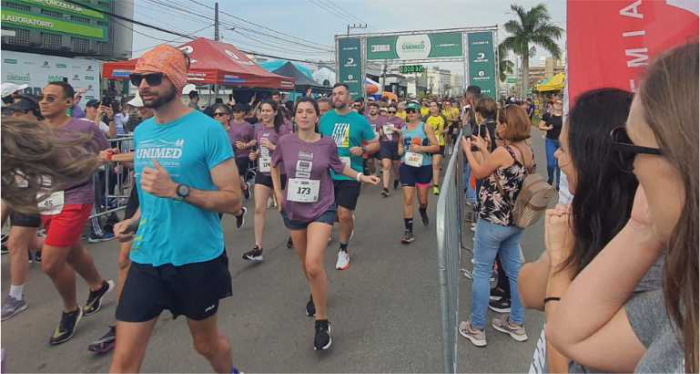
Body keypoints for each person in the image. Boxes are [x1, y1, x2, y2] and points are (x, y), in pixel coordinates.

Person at [547, 42, 698, 374]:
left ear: (681, 160)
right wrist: (642, 226)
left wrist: (559, 266)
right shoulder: (687, 303)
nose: (631, 166)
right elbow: (570, 336)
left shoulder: (669, 280)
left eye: (631, 146)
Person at [108, 45, 243, 373]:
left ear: (177, 81)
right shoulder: (142, 132)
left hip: (196, 259)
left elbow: (233, 199)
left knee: (206, 345)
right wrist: (135, 221)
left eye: (153, 78)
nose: (143, 86)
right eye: (138, 78)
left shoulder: (208, 130)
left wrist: (178, 191)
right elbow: (149, 193)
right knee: (123, 362)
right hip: (146, 258)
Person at [517, 88, 660, 373]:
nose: (557, 156)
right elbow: (529, 293)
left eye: (565, 149)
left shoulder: (653, 269)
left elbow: (567, 359)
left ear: (595, 162)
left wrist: (559, 267)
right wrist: (561, 255)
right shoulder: (588, 223)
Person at [271, 97, 378, 351]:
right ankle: (314, 290)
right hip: (294, 209)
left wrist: (362, 176)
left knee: (313, 263)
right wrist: (278, 192)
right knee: (305, 265)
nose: (304, 115)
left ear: (317, 117)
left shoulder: (326, 143)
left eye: (310, 112)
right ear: (294, 116)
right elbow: (274, 166)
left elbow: (340, 166)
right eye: (300, 111)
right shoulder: (285, 142)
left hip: (322, 207)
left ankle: (322, 321)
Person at [35, 81, 114, 345]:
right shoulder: (36, 131)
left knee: (51, 262)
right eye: (42, 98)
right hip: (47, 199)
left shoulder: (85, 127)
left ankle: (70, 310)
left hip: (76, 197)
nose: (44, 102)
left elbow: (107, 151)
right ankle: (98, 285)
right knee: (71, 250)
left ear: (68, 102)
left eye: (51, 98)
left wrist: (96, 161)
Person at [458, 104, 534, 347]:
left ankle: (476, 327)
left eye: (501, 122)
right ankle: (516, 323)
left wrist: (467, 151)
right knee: (515, 272)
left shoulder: (505, 151)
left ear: (505, 125)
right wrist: (484, 148)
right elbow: (501, 175)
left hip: (493, 221)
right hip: (515, 220)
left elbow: (480, 172)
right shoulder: (526, 150)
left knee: (481, 271)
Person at [87, 98, 155, 355]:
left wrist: (114, 155)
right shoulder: (141, 131)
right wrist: (117, 159)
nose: (139, 109)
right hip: (140, 196)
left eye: (143, 106)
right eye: (137, 106)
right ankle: (120, 325)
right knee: (125, 259)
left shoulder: (174, 129)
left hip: (168, 197)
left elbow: (146, 156)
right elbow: (139, 161)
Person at [318, 83, 379, 271]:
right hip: (327, 174)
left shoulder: (359, 120)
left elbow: (375, 143)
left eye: (340, 93)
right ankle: (348, 222)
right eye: (334, 94)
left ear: (349, 97)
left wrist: (364, 149)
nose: (336, 97)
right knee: (336, 214)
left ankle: (343, 250)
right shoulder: (324, 119)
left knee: (344, 214)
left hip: (351, 173)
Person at [0, 96, 45, 321]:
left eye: (17, 113)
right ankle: (63, 248)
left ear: (30, 113)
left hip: (34, 194)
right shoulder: (13, 135)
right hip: (12, 192)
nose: (13, 117)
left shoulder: (44, 133)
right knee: (27, 242)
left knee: (15, 242)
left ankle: (16, 298)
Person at [243, 100, 291, 262]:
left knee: (284, 207)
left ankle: (295, 232)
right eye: (262, 111)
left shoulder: (283, 129)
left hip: (281, 172)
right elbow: (259, 147)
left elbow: (289, 151)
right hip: (263, 172)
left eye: (268, 110)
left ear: (275, 112)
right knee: (258, 208)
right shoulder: (258, 128)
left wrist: (272, 146)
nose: (264, 113)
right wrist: (255, 154)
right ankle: (258, 247)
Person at [397, 102, 439, 244]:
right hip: (407, 165)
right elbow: (401, 144)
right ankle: (408, 231)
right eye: (408, 111)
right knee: (408, 199)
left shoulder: (425, 127)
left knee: (422, 200)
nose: (410, 113)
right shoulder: (403, 129)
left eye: (413, 111)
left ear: (419, 113)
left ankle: (422, 210)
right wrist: (400, 150)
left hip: (423, 166)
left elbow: (436, 147)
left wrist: (421, 148)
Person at [229, 103, 255, 200]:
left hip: (243, 155)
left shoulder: (248, 126)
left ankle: (236, 196)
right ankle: (244, 187)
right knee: (232, 175)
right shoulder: (229, 123)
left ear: (243, 113)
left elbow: (254, 140)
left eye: (238, 112)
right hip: (230, 153)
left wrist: (246, 145)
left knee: (238, 174)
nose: (235, 113)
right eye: (234, 111)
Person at [378, 104, 405, 196]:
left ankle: (397, 178)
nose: (391, 114)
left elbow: (404, 132)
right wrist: (380, 132)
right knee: (386, 166)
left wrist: (396, 129)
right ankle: (385, 189)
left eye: (393, 112)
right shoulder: (383, 120)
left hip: (395, 144)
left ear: (396, 112)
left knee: (395, 166)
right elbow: (380, 131)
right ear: (387, 112)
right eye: (389, 112)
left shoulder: (400, 120)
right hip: (385, 144)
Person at [539, 97, 563, 190]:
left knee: (559, 164)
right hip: (550, 141)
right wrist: (547, 128)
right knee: (551, 164)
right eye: (557, 103)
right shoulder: (547, 115)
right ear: (553, 105)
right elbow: (541, 126)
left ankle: (558, 184)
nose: (559, 105)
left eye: (561, 104)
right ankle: (550, 177)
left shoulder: (564, 116)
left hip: (561, 143)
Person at [424, 100, 447, 195]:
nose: (432, 107)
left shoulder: (442, 117)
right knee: (429, 164)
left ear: (438, 107)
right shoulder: (426, 118)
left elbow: (447, 127)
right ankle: (428, 180)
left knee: (436, 164)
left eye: (434, 106)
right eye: (431, 106)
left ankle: (436, 185)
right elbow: (421, 128)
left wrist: (444, 131)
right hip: (428, 144)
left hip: (439, 143)